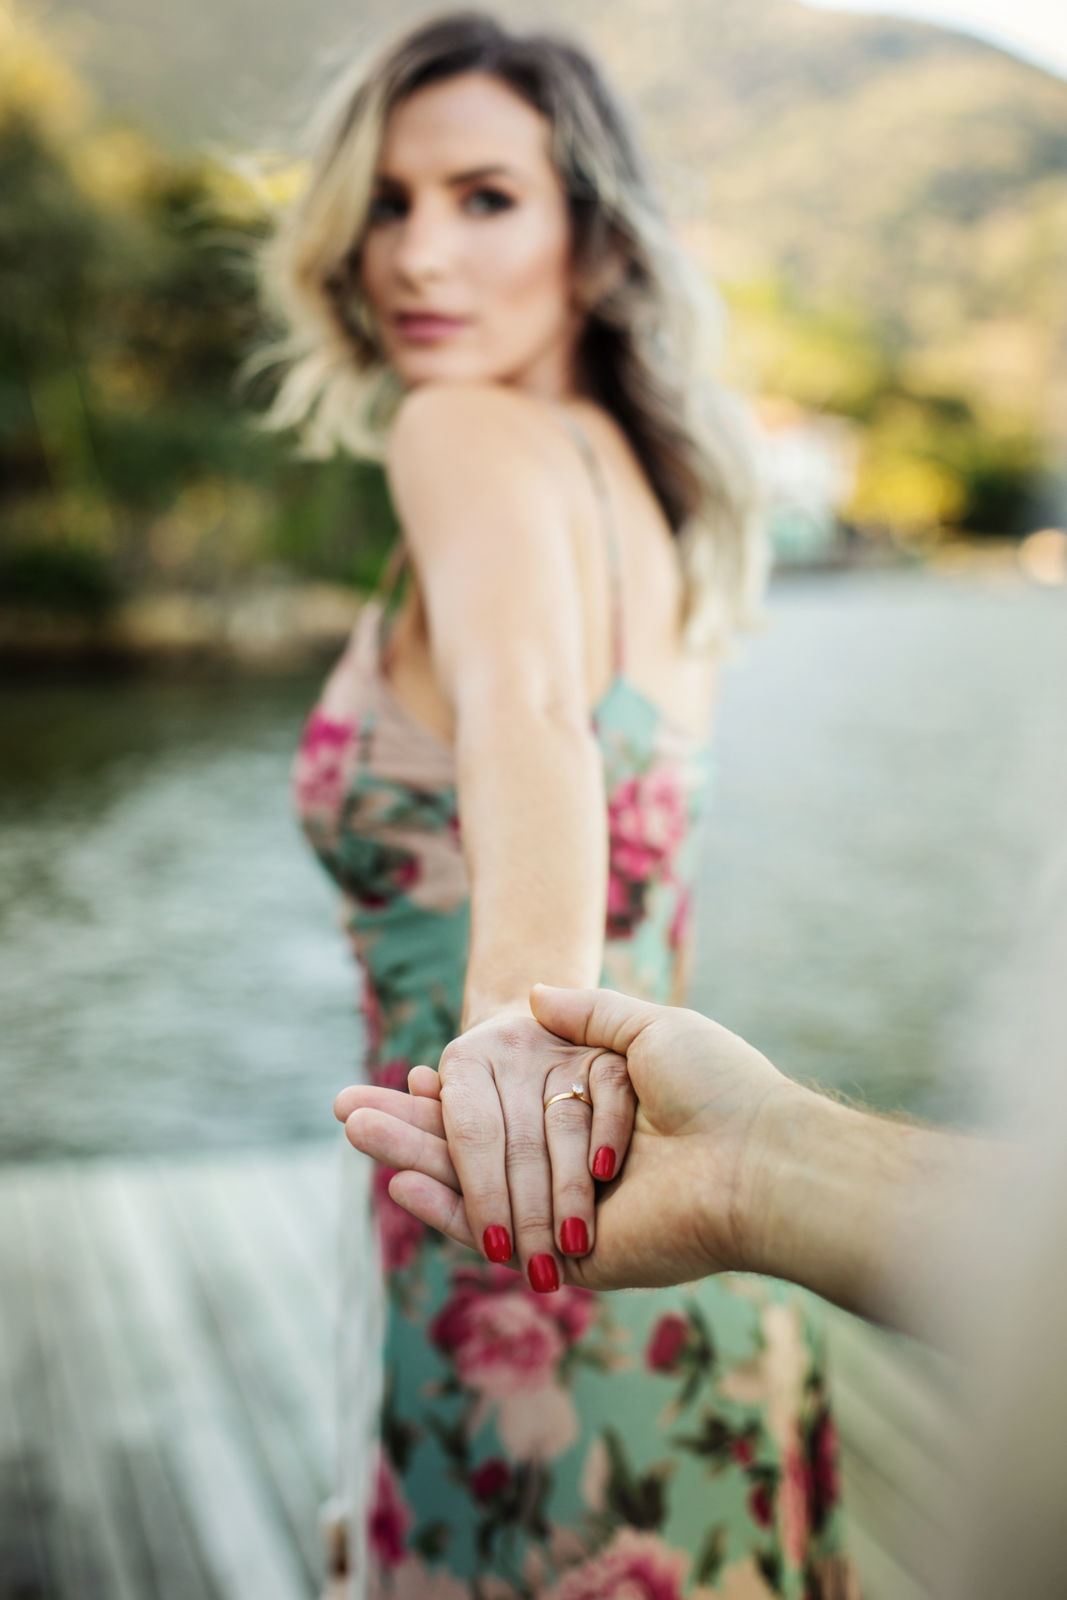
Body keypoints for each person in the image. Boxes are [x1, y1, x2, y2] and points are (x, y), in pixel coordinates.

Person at [268, 11, 856, 1597]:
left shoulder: (459, 432)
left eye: (481, 198)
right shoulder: (638, 484)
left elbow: (532, 721)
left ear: (590, 244)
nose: (415, 255)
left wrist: (504, 1046)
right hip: (685, 1259)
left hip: (524, 1260)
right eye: (387, 204)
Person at [335, 982, 1011, 1331]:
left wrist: (512, 1027)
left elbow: (539, 737)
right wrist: (754, 1167)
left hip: (552, 1169)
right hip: (637, 1192)